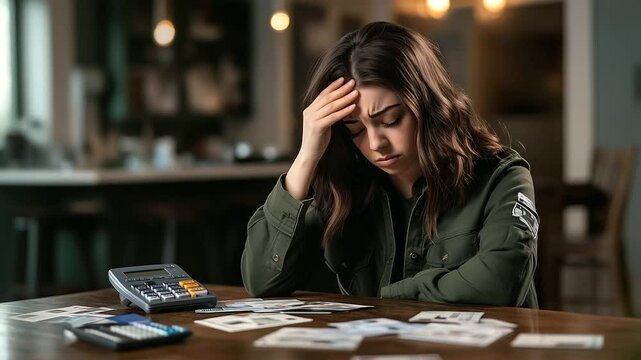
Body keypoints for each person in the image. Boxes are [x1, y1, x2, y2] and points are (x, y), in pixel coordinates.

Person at [241, 21, 539, 307]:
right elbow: (261, 281)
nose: (375, 144)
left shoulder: (502, 177)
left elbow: (502, 280)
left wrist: (395, 295)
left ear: (428, 105)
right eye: (355, 130)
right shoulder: (346, 185)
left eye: (390, 120)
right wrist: (306, 155)